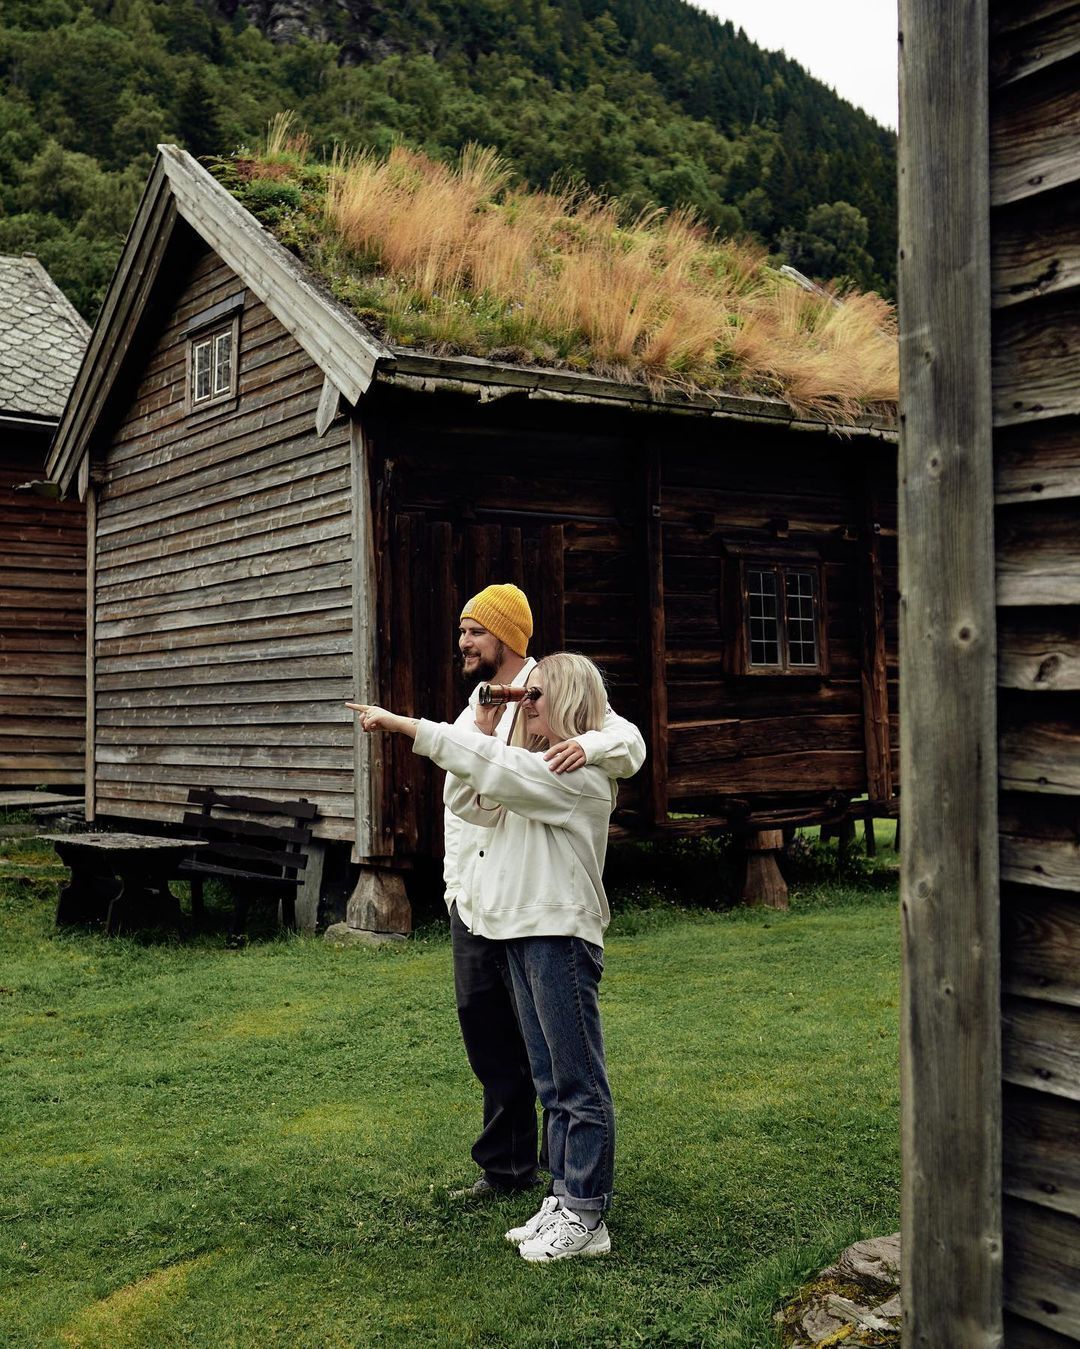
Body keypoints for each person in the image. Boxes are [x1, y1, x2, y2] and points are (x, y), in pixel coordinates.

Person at [350, 650, 640, 1261]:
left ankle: (588, 1214)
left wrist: (409, 726)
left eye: (532, 696)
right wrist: (479, 727)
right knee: (550, 1078)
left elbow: (494, 768)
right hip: (520, 934)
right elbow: (467, 799)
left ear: (562, 701)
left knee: (577, 1081)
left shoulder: (574, 774)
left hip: (558, 935)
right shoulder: (533, 766)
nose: (520, 704)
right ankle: (563, 1201)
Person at [445, 585, 644, 1202]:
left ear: (506, 636)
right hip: (472, 892)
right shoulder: (477, 706)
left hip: (535, 896)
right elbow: (460, 780)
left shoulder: (551, 691)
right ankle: (507, 1167)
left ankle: (568, 1185)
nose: (465, 642)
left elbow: (630, 741)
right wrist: (454, 887)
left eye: (476, 631)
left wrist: (588, 743)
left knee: (550, 1045)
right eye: (463, 630)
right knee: (487, 1033)